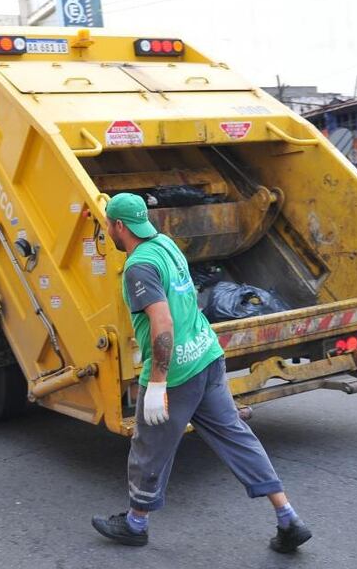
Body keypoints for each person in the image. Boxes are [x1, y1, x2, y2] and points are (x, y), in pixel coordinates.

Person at [91, 193, 311, 553]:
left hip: (176, 372)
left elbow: (162, 323)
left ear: (118, 226)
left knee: (150, 447)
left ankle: (135, 524)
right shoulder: (167, 244)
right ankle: (288, 517)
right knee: (237, 437)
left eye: (106, 224)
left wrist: (157, 383)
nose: (106, 230)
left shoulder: (138, 266)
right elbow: (189, 296)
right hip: (207, 356)